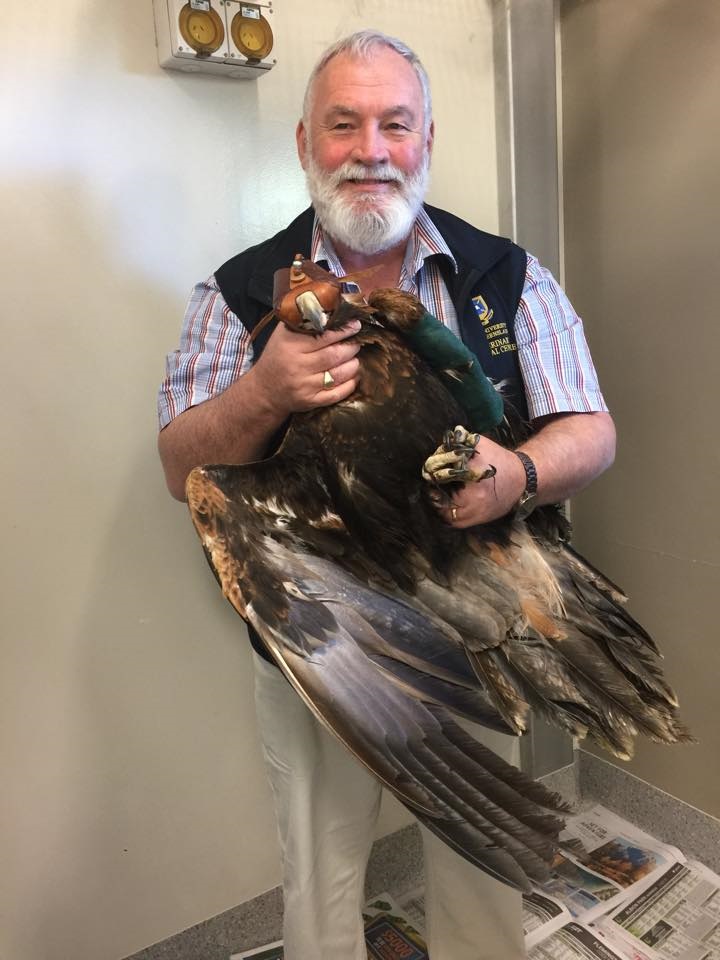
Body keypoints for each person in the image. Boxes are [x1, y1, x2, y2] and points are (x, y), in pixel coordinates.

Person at [157, 29, 616, 960]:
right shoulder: (237, 292)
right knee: (322, 871)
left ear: (427, 140)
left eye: (395, 124)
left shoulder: (504, 277)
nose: (371, 148)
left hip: (474, 622)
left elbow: (592, 429)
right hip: (322, 642)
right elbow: (181, 471)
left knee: (482, 859)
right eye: (344, 124)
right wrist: (264, 391)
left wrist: (516, 475)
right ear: (303, 144)